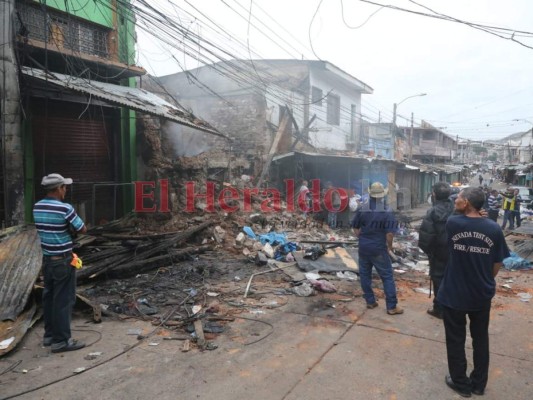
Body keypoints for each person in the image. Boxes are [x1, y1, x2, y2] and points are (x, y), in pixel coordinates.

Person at [437, 187, 510, 397]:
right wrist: (485, 280)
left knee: (455, 339)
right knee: (480, 339)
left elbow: (451, 224)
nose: (455, 200)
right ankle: (478, 384)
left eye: (459, 198)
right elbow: (497, 262)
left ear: (467, 202)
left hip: (454, 293)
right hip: (480, 294)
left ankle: (460, 382)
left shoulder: (453, 223)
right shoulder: (493, 229)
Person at [33, 173, 87, 353]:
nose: (66, 190)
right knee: (63, 301)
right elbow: (82, 229)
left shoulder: (37, 207)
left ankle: (49, 336)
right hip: (63, 261)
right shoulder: (65, 209)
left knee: (49, 298)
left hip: (47, 261)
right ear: (58, 189)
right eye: (64, 187)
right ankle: (61, 341)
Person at [351, 182, 403, 315]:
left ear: (370, 194)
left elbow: (355, 229)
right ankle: (391, 306)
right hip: (378, 248)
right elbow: (390, 233)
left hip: (364, 248)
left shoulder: (362, 208)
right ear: (382, 195)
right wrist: (389, 247)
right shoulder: (387, 211)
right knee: (387, 277)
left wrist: (362, 238)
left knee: (365, 275)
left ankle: (370, 301)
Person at [418, 182, 455, 319]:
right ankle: (452, 307)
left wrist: (430, 252)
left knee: (439, 280)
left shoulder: (432, 212)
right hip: (457, 251)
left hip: (439, 253)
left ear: (434, 194)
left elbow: (426, 237)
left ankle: (439, 309)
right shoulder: (457, 208)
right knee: (453, 279)